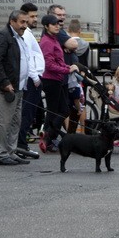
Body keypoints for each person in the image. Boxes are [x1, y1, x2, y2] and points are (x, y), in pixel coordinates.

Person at [0, 10, 31, 165]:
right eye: (22, 22)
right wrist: (5, 82)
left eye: (26, 22)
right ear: (12, 21)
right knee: (2, 121)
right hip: (5, 87)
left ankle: (10, 152)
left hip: (18, 86)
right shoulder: (2, 36)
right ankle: (0, 154)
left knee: (14, 121)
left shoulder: (18, 37)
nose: (25, 25)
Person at [39, 14, 78, 153]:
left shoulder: (54, 39)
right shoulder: (46, 42)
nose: (57, 26)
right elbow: (48, 64)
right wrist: (66, 69)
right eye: (54, 24)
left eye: (58, 24)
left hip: (57, 79)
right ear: (46, 26)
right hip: (50, 79)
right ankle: (48, 137)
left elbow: (59, 60)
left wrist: (67, 67)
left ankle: (48, 137)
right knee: (55, 111)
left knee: (61, 110)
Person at [17, 2, 45, 155]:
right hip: (31, 79)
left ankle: (21, 144)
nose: (35, 19)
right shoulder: (26, 34)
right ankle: (21, 145)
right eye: (32, 16)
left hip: (33, 78)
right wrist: (35, 78)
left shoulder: (27, 33)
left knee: (31, 113)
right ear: (24, 16)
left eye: (36, 16)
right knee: (27, 115)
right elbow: (27, 57)